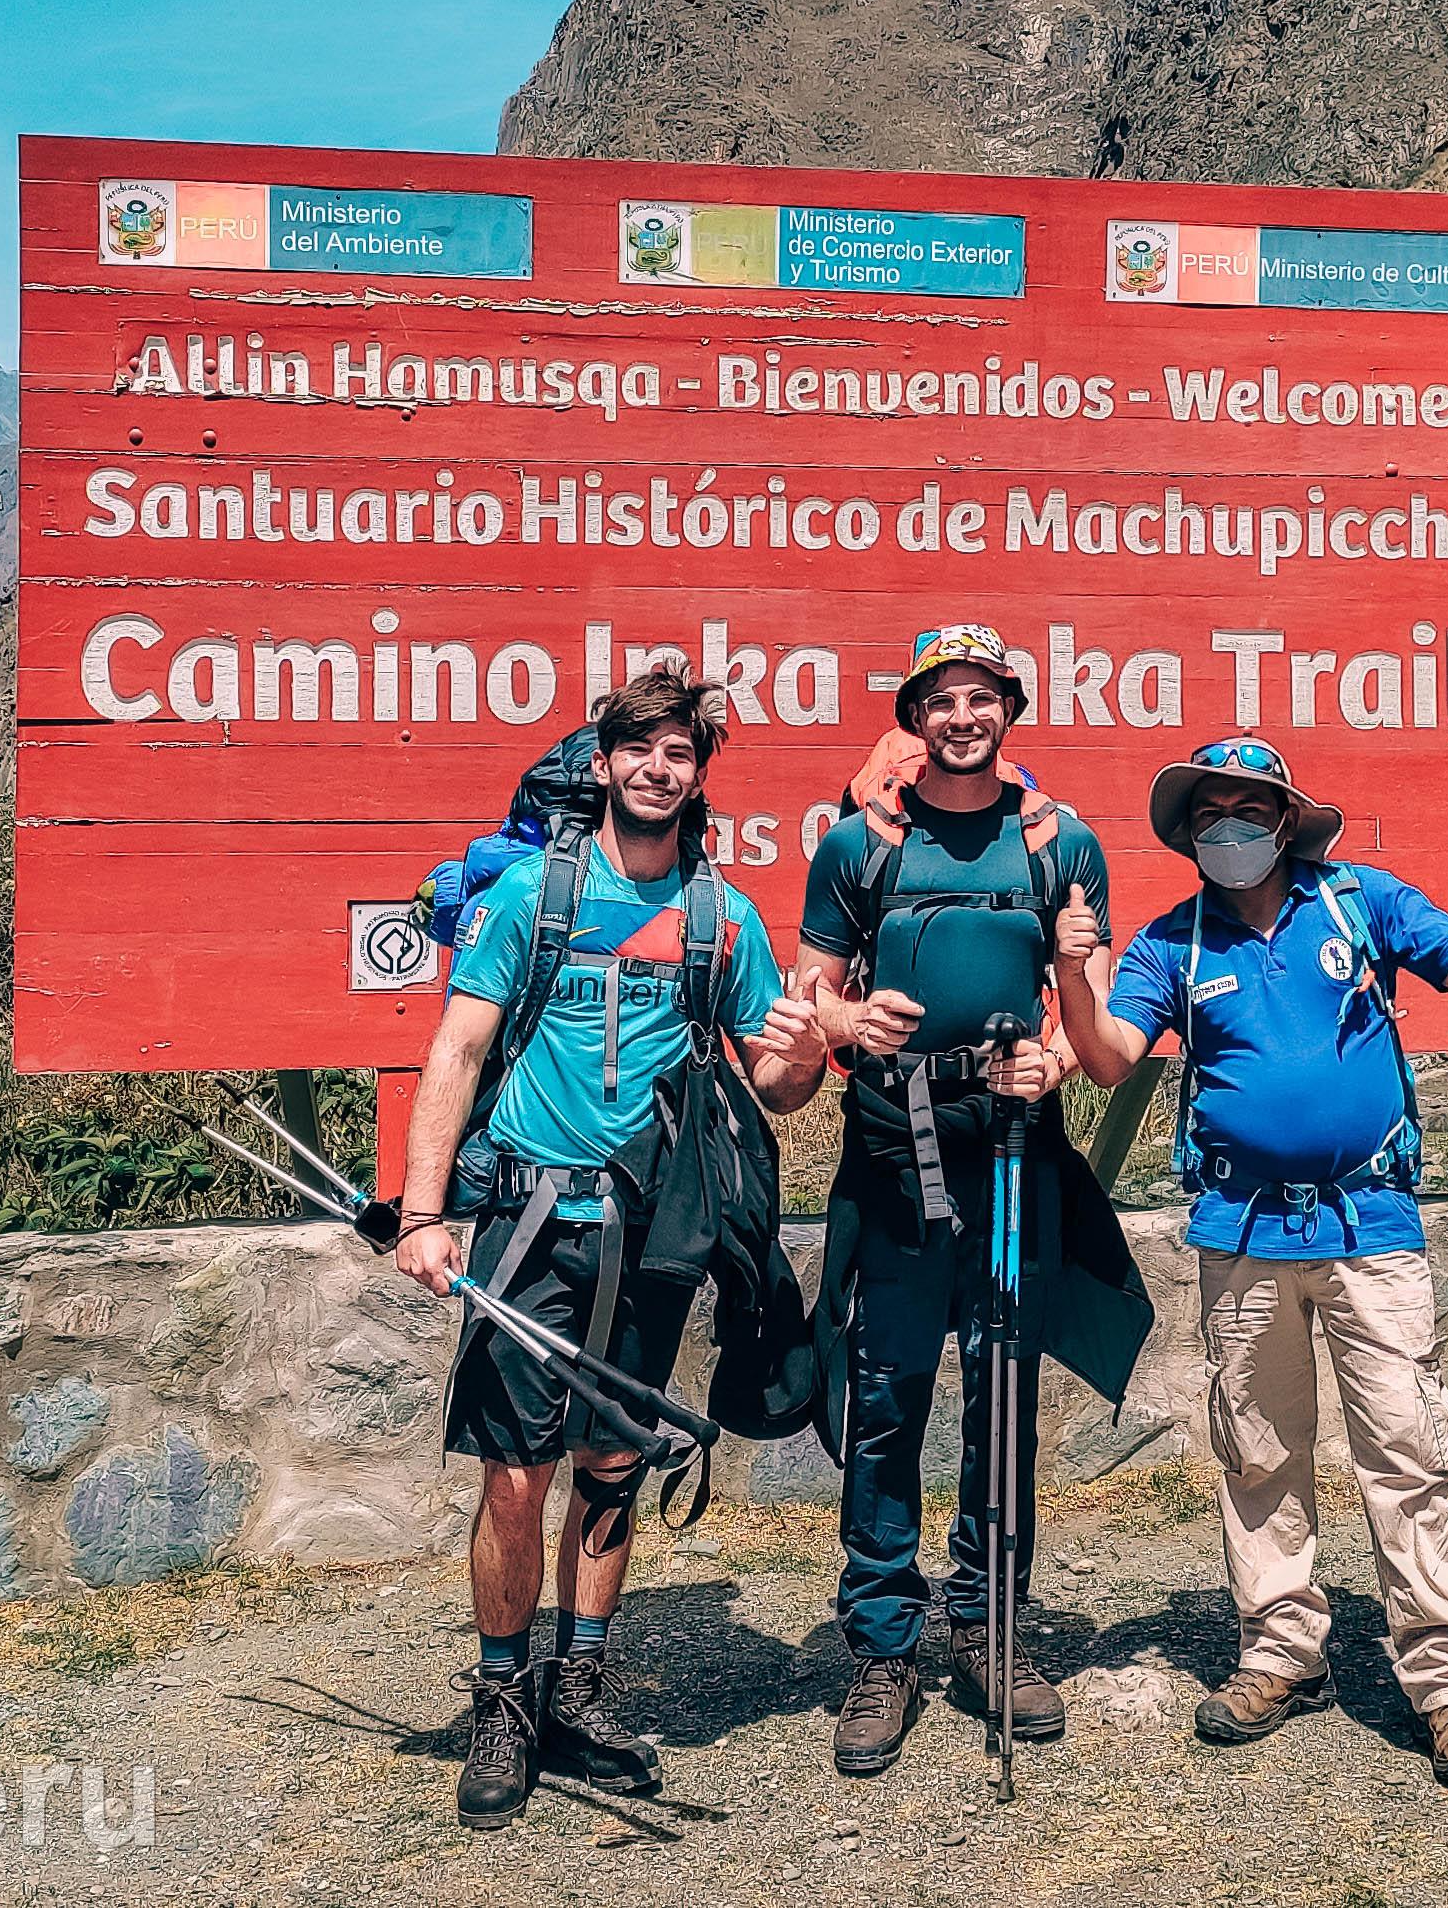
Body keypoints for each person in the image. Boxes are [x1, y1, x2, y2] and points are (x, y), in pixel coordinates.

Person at [1051, 735, 1448, 1791]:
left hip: (1369, 1223)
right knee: (1257, 1452)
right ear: (1189, 836)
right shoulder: (1169, 943)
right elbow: (1106, 1058)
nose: (1225, 831)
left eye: (1246, 811)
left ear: (1287, 821)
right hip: (1239, 1232)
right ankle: (1279, 1652)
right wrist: (1069, 968)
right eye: (1206, 817)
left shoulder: (1359, 901)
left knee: (1408, 1448)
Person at [395, 667, 831, 1830]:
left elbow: (777, 1086)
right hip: (534, 1223)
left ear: (697, 773)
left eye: (678, 754)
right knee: (513, 1474)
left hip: (653, 1236)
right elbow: (456, 1052)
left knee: (611, 1467)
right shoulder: (532, 897)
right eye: (637, 749)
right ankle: (503, 1701)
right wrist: (424, 1214)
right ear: (603, 764)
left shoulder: (720, 915)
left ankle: (580, 1689)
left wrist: (803, 1045)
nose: (656, 769)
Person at [793, 623, 1155, 1778]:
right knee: (890, 1396)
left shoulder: (1061, 844)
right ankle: (884, 1647)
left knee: (1000, 1396)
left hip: (1011, 1148)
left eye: (982, 698)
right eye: (940, 699)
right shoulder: (859, 847)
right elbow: (814, 995)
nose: (961, 717)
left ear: (1010, 710)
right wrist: (849, 1026)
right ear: (914, 713)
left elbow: (1083, 1010)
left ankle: (992, 1624)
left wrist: (1046, 1054)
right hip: (895, 1149)